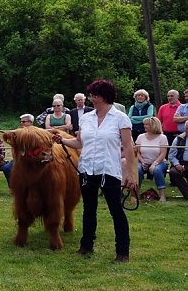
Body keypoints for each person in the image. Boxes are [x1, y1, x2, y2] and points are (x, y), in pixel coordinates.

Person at [54, 79, 137, 262]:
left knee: (116, 210)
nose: (91, 98)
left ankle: (122, 251)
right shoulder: (86, 118)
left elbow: (128, 146)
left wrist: (131, 173)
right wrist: (63, 140)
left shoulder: (120, 118)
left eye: (94, 95)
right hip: (86, 169)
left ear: (104, 97)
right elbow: (80, 143)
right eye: (91, 95)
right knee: (89, 209)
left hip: (109, 170)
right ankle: (86, 245)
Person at [135, 117, 169, 202]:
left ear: (154, 126)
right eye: (144, 124)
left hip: (159, 162)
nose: (144, 126)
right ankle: (135, 194)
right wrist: (142, 161)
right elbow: (137, 152)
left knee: (157, 170)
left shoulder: (162, 137)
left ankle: (162, 195)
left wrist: (154, 164)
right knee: (137, 169)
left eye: (147, 124)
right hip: (143, 161)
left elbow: (163, 154)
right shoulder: (140, 137)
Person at [2, 114, 35, 187]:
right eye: (21, 122)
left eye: (24, 122)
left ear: (31, 122)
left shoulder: (36, 134)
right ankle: (13, 187)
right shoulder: (17, 133)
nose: (21, 123)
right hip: (19, 159)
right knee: (6, 168)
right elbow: (13, 148)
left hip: (33, 160)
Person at [167, 128, 188, 199]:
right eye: (187, 128)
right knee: (173, 172)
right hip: (181, 162)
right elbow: (171, 155)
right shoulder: (178, 139)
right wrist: (177, 164)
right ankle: (187, 193)